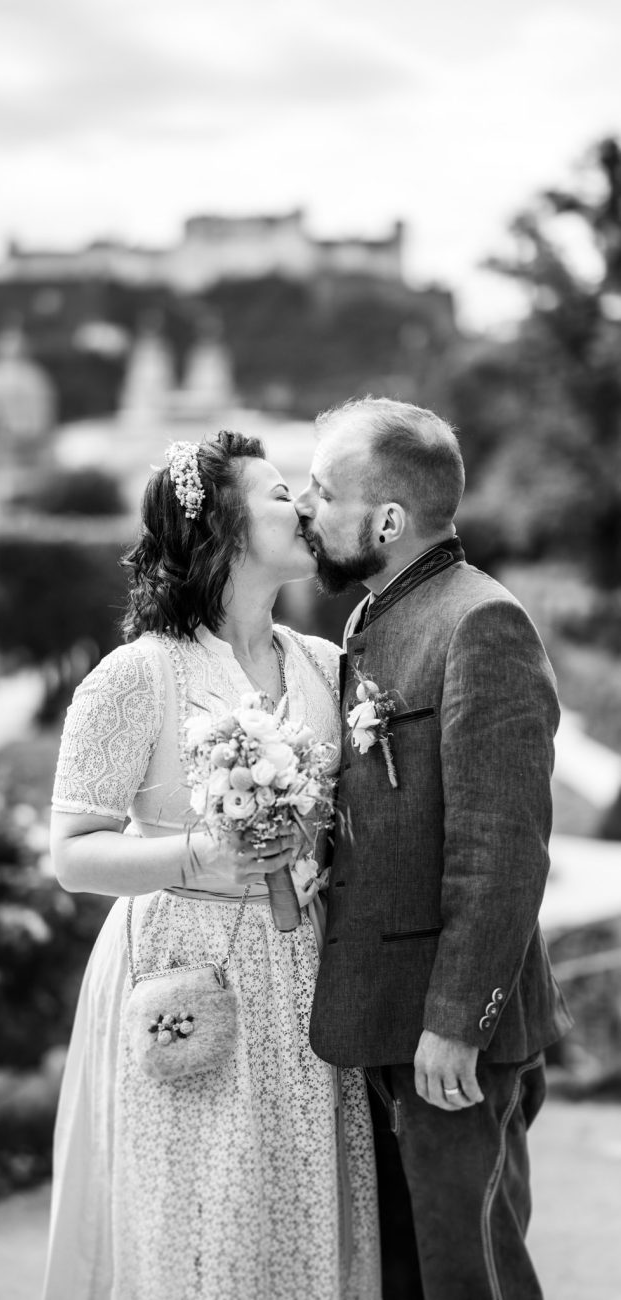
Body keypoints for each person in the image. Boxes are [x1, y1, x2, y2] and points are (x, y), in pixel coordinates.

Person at [42, 431, 380, 1300]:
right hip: (180, 971)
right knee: (197, 1223)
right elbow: (72, 854)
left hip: (303, 974)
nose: (304, 507)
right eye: (279, 495)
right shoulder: (136, 677)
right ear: (223, 530)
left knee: (304, 1218)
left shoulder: (326, 666)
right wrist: (200, 851)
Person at [295, 397, 573, 1300]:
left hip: (451, 1042)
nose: (305, 507)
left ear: (386, 519)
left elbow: (503, 847)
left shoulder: (481, 622)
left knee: (470, 1277)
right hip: (383, 1022)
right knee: (409, 1276)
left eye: (322, 490)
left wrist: (457, 1021)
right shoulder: (373, 618)